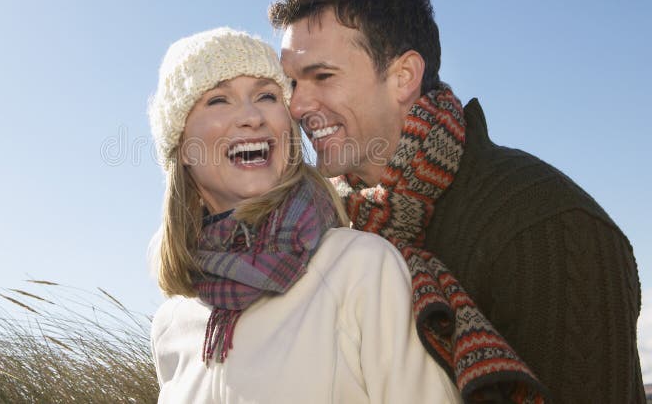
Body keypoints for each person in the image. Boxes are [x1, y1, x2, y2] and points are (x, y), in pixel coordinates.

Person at [269, 0, 644, 403]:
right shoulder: (326, 232)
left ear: (404, 76)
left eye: (322, 76)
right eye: (293, 83)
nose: (296, 105)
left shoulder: (546, 225)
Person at [147, 27, 462, 403]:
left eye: (267, 96)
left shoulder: (360, 267)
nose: (251, 117)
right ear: (181, 147)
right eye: (218, 101)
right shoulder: (170, 325)